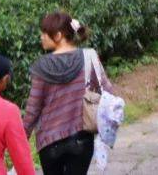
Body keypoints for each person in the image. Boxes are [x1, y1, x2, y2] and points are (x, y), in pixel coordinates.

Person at [24, 12, 112, 174]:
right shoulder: (88, 57)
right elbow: (107, 92)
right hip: (81, 140)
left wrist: (23, 135)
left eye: (44, 33)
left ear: (58, 35)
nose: (41, 37)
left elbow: (33, 107)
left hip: (49, 144)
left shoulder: (42, 66)